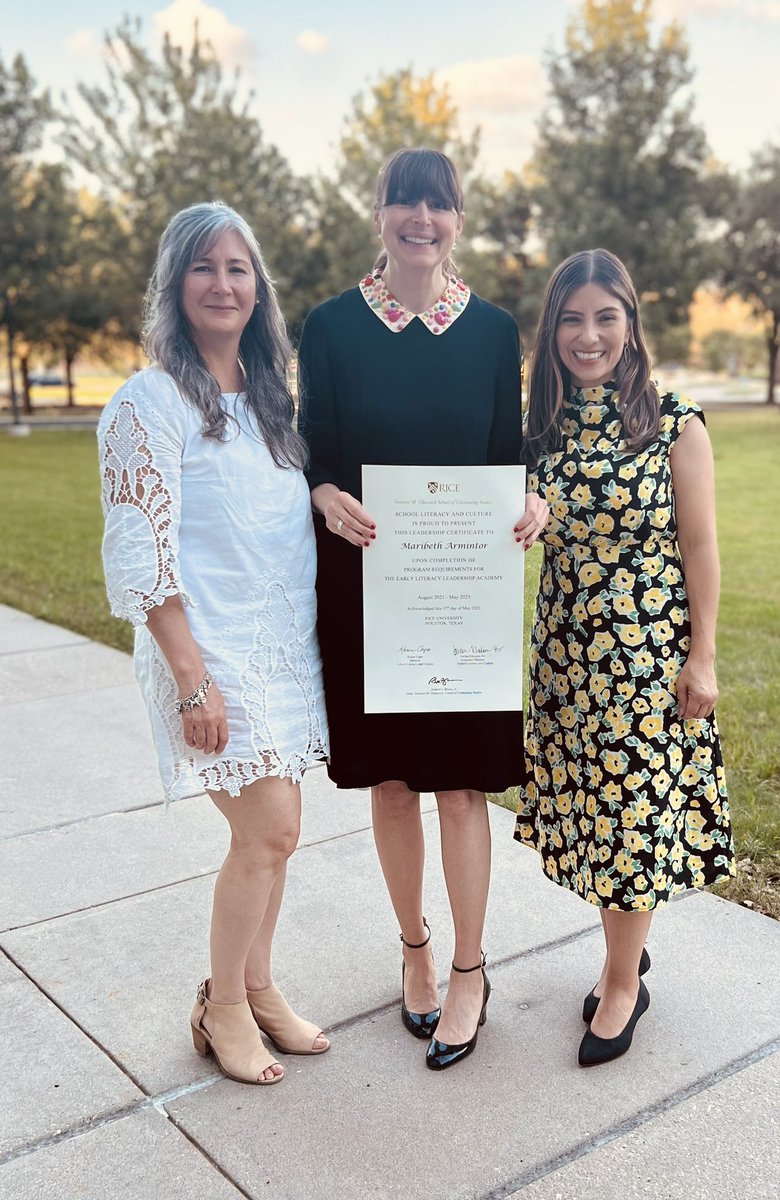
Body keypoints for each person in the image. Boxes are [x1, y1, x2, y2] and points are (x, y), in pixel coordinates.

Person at [298, 148, 548, 1071]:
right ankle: (415, 952)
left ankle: (471, 971)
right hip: (367, 587)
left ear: (457, 219)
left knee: (461, 785)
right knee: (396, 783)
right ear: (378, 214)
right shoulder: (329, 327)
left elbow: (506, 454)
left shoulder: (491, 331)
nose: (420, 218)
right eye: (404, 201)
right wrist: (323, 495)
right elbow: (312, 449)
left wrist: (532, 501)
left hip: (461, 599)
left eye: (436, 205)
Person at [97, 202, 330, 1086]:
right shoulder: (146, 402)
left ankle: (259, 988)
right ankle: (221, 1006)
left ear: (257, 288)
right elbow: (141, 553)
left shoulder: (271, 402)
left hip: (280, 648)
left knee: (284, 833)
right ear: (176, 283)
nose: (224, 284)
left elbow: (273, 508)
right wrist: (192, 679)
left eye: (239, 268)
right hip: (208, 654)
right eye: (204, 267)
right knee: (266, 829)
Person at [514, 248, 735, 1066]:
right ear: (553, 329)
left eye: (606, 316)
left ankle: (621, 983)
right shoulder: (540, 429)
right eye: (571, 318)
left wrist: (703, 657)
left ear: (632, 323)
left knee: (632, 825)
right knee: (597, 821)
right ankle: (623, 953)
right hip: (570, 664)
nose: (588, 334)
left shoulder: (676, 422)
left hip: (646, 663)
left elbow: (702, 547)